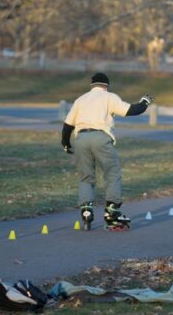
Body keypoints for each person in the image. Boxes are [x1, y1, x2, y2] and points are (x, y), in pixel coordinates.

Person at [61, 72, 154, 231]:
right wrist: (144, 102)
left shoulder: (81, 99)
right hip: (100, 137)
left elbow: (68, 124)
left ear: (92, 85)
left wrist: (66, 144)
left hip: (81, 138)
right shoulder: (109, 97)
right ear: (106, 86)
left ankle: (86, 211)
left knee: (86, 176)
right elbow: (131, 110)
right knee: (112, 173)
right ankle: (112, 210)